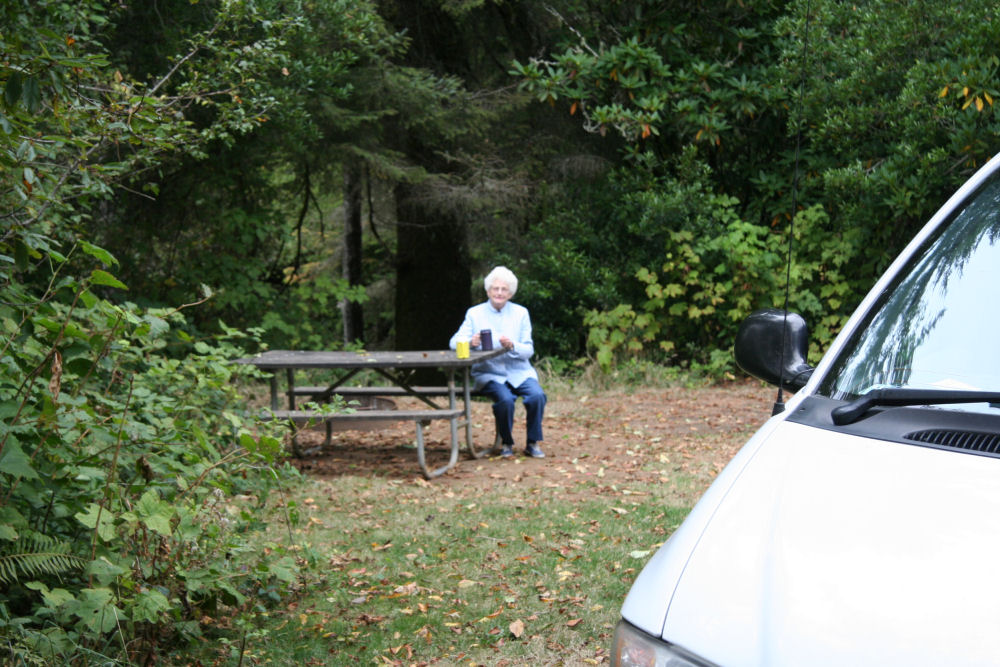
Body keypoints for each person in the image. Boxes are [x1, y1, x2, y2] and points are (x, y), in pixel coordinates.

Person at [449, 266, 547, 458]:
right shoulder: (474, 313)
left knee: (537, 396)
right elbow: (454, 343)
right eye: (495, 289)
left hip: (519, 372)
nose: (499, 293)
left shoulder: (521, 313)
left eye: (504, 289)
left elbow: (529, 350)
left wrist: (512, 346)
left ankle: (533, 442)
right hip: (489, 373)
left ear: (510, 293)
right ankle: (506, 442)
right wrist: (470, 342)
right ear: (488, 291)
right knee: (505, 399)